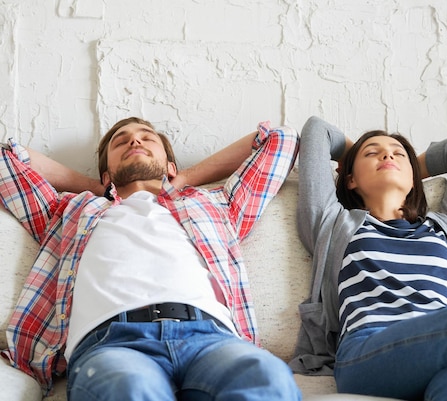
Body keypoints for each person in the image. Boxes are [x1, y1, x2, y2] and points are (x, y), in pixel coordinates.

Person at [0, 117, 301, 400]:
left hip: (212, 338)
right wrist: (99, 187)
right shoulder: (69, 211)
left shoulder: (215, 205)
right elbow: (5, 159)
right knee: (131, 388)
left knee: (267, 378)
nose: (134, 142)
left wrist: (181, 178)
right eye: (122, 142)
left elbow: (281, 139)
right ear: (105, 173)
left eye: (147, 138)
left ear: (169, 164)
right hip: (114, 343)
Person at [290, 116, 447, 400]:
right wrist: (357, 154)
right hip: (368, 352)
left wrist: (404, 167)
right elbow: (317, 130)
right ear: (350, 179)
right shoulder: (333, 224)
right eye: (372, 152)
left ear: (415, 179)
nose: (388, 154)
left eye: (398, 153)